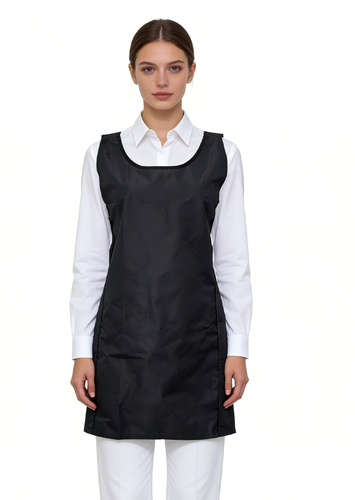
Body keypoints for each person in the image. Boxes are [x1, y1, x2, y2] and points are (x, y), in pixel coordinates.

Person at [69, 18, 252, 500]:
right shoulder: (102, 156)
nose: (162, 80)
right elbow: (91, 261)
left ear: (192, 71)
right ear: (132, 72)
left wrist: (238, 347)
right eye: (149, 68)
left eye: (174, 67)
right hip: (121, 351)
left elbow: (232, 260)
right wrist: (81, 349)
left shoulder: (222, 155)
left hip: (198, 349)